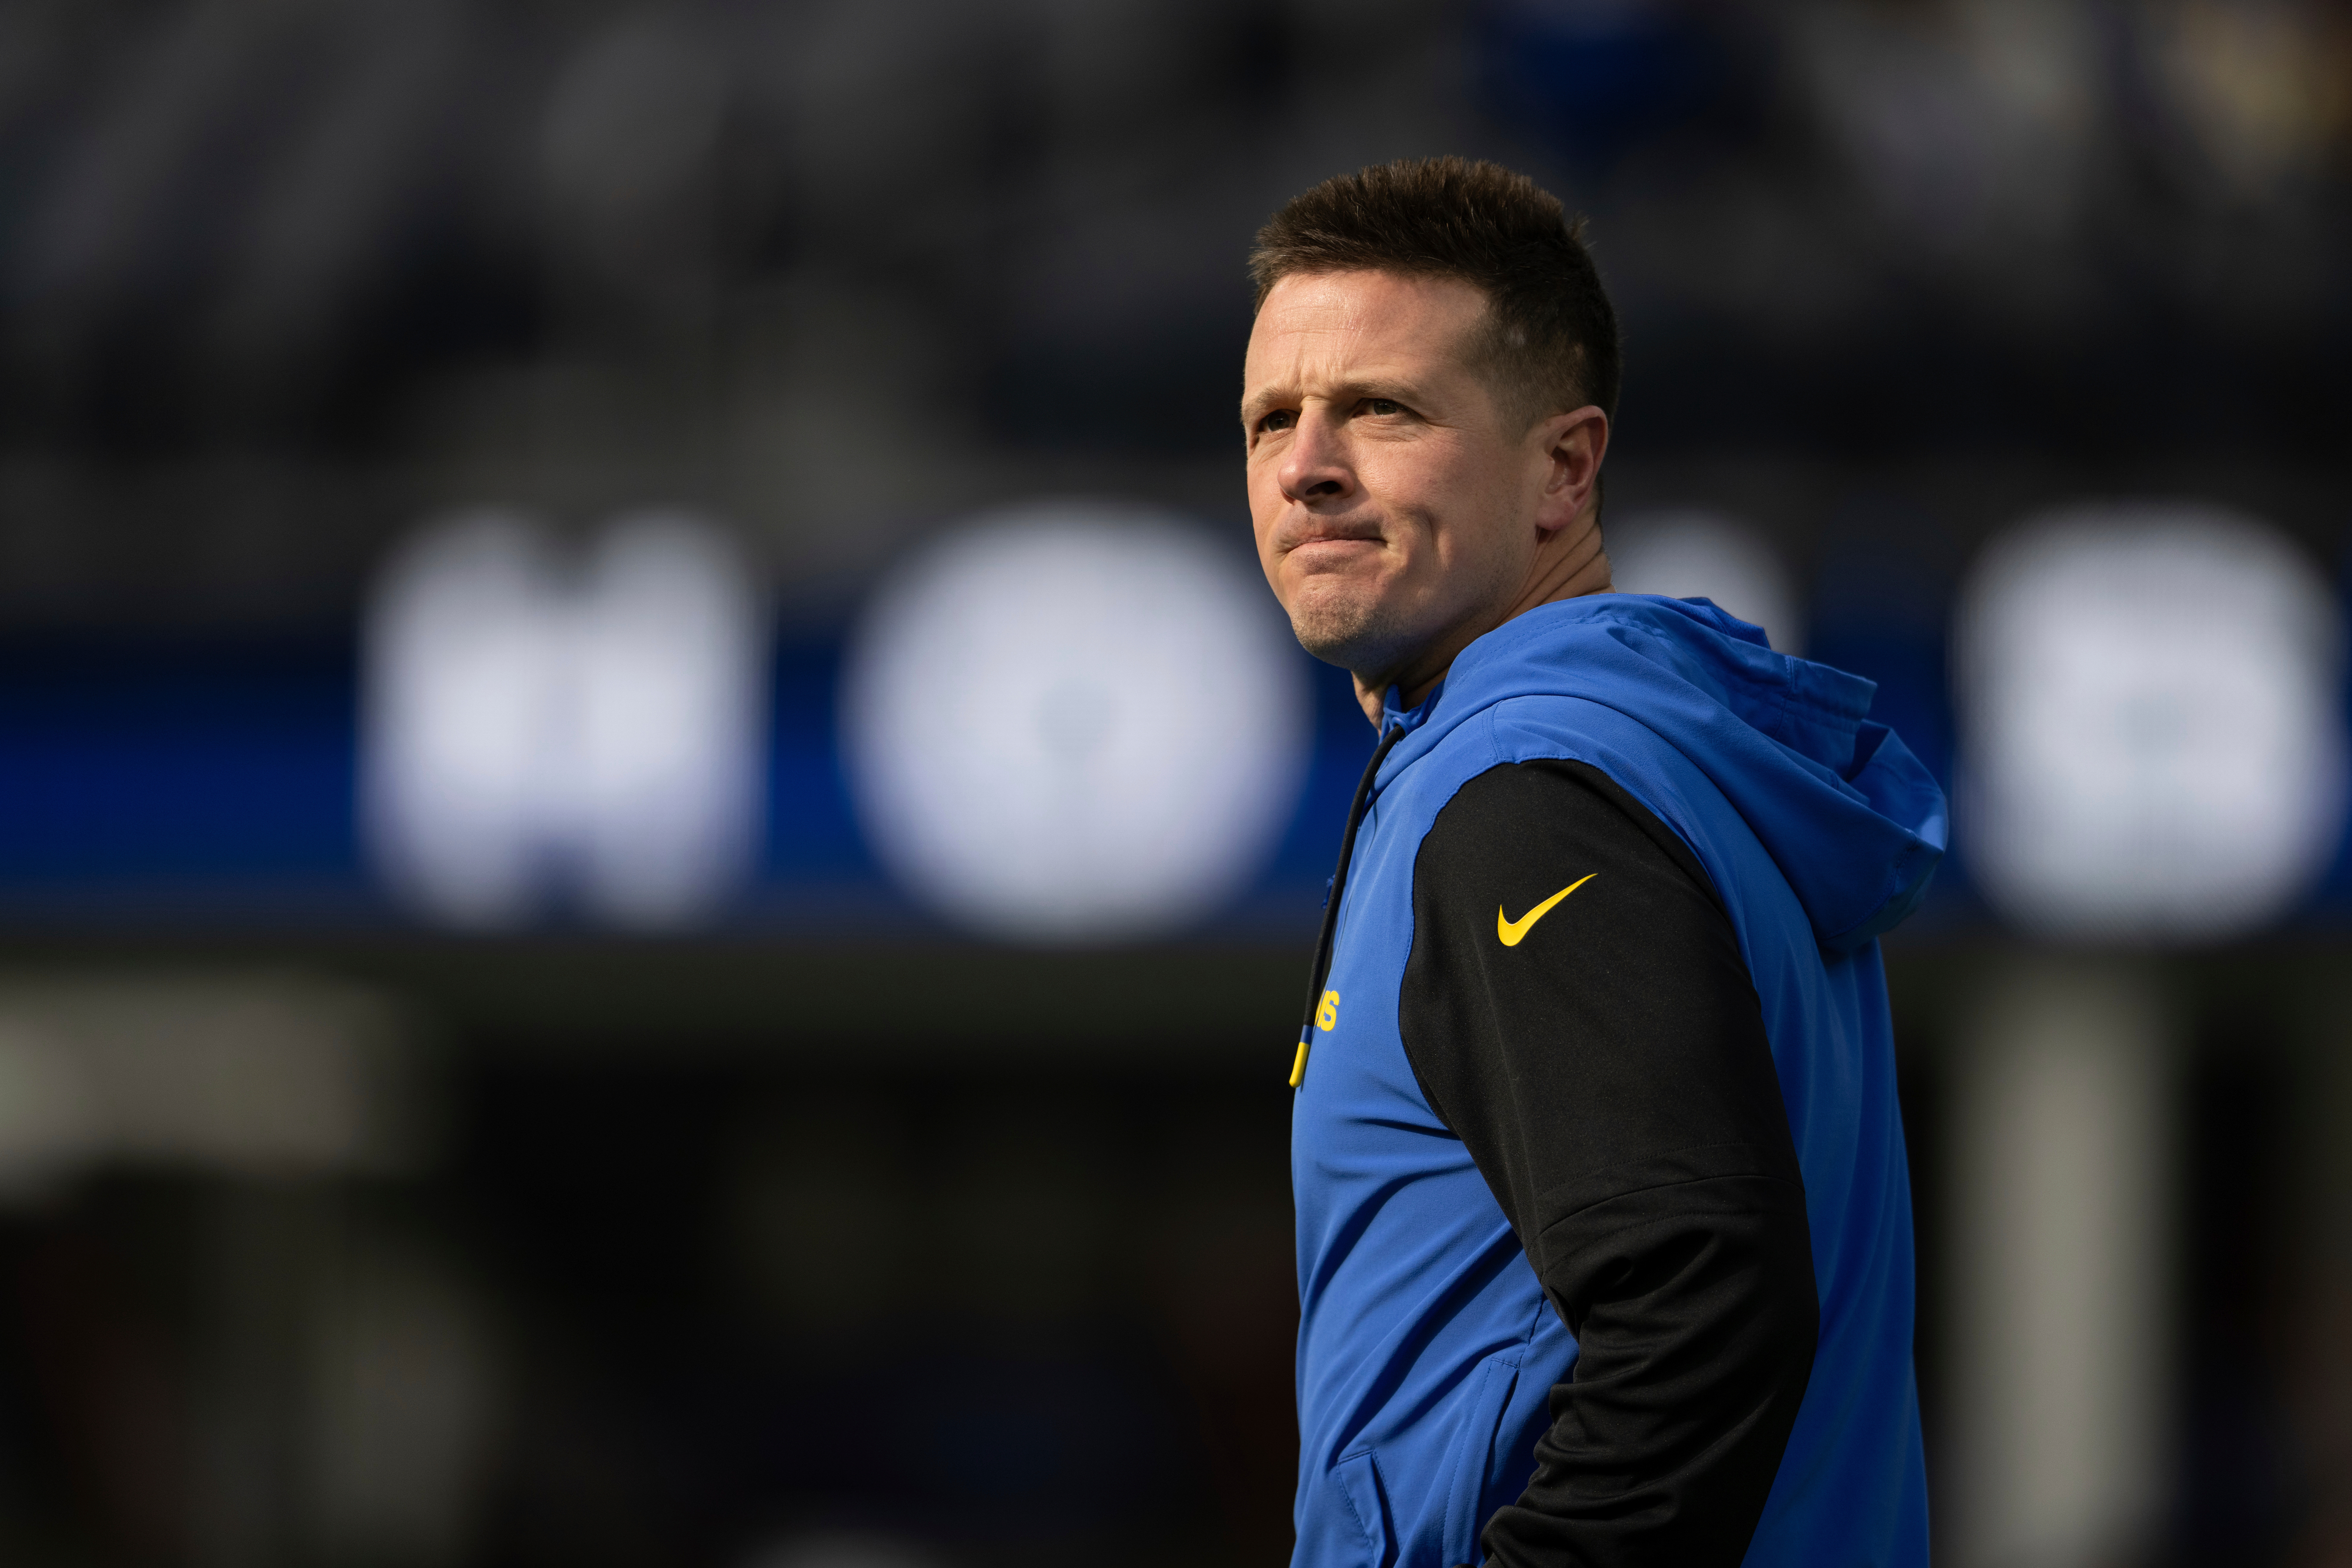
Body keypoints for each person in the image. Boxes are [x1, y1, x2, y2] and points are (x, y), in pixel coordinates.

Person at [1243, 157, 1944, 1567]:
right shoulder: (1642, 756)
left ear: (1564, 466)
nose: (1306, 465)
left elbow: (1699, 1311)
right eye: (1271, 418)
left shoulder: (1523, 795)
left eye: (1381, 408)